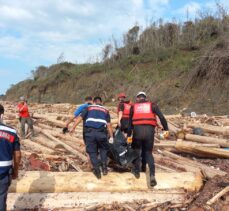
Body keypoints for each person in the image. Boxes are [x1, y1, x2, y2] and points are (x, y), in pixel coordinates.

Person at [127, 92, 169, 187]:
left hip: (137, 131)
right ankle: (152, 175)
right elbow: (162, 117)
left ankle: (137, 171)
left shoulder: (133, 107)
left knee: (137, 150)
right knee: (148, 152)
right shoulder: (153, 105)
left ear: (137, 98)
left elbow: (129, 124)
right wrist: (166, 129)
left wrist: (129, 136)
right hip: (149, 132)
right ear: (146, 98)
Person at [70, 97, 113, 179]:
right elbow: (109, 125)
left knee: (92, 152)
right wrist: (111, 136)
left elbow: (80, 118)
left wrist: (73, 127)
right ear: (101, 102)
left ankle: (96, 169)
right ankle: (104, 168)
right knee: (103, 149)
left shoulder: (88, 108)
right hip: (102, 134)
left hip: (90, 133)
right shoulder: (105, 110)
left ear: (94, 102)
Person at [0, 104, 21, 211]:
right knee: (1, 200)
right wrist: (16, 171)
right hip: (3, 173)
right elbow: (17, 154)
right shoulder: (11, 132)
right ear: (2, 115)